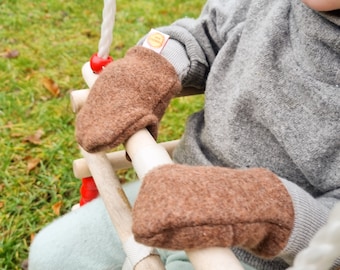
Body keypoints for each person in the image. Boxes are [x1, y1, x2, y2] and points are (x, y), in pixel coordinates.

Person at [28, 0, 340, 269]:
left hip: (260, 255)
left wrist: (262, 208)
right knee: (51, 255)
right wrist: (148, 69)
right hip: (175, 182)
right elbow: (202, 33)